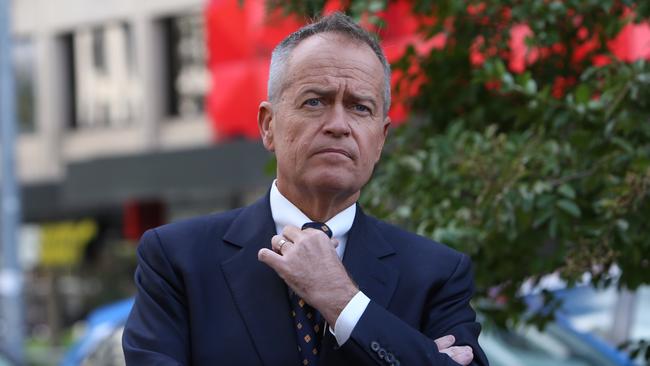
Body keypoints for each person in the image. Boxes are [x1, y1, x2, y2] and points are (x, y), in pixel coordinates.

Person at [123, 12, 488, 366]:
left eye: (360, 107)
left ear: (380, 140)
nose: (338, 125)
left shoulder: (436, 274)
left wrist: (344, 302)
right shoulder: (177, 259)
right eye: (315, 101)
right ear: (268, 125)